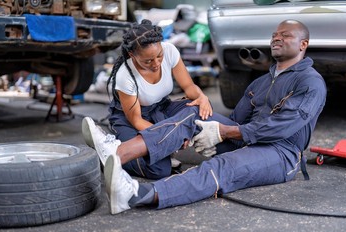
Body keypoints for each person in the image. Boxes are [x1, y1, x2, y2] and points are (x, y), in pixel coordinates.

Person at [83, 19, 327, 215]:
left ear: (303, 44)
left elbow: (280, 128)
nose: (277, 37)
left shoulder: (310, 82)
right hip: (248, 138)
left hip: (281, 152)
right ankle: (116, 152)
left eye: (286, 35)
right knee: (194, 114)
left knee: (222, 167)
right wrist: (208, 130)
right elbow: (234, 121)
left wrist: (222, 133)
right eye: (275, 34)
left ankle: (134, 195)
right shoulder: (261, 82)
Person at [83, 19, 212, 179]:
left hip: (160, 109)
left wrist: (202, 97)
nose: (156, 63)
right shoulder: (125, 76)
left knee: (197, 109)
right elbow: (136, 120)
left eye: (159, 56)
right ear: (132, 55)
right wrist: (172, 135)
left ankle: (152, 148)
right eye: (148, 61)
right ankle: (112, 150)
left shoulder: (170, 51)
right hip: (130, 120)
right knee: (160, 170)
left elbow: (189, 87)